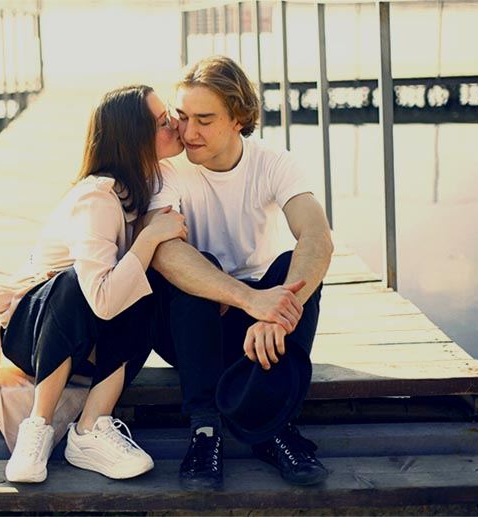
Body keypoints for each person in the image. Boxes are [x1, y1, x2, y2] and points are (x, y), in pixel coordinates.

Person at [147, 56, 334, 489]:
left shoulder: (273, 162)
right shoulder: (169, 169)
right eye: (182, 117)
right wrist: (251, 300)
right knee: (194, 264)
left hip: (261, 328)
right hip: (191, 329)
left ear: (239, 118)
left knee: (295, 267)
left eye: (204, 120)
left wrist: (277, 308)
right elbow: (164, 254)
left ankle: (273, 426)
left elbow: (317, 237)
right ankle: (205, 427)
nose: (188, 132)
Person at [0, 84, 185, 483]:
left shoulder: (157, 177)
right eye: (164, 121)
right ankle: (38, 427)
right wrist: (149, 238)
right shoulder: (97, 196)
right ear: (134, 139)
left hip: (90, 337)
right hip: (36, 331)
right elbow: (101, 300)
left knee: (145, 282)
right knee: (77, 282)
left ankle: (90, 429)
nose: (176, 125)